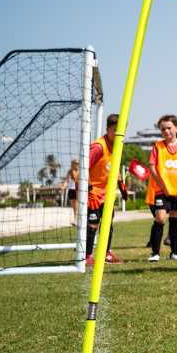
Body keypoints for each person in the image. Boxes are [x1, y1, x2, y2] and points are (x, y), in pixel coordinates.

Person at [86, 114, 128, 266]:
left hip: (107, 194)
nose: (118, 134)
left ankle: (106, 253)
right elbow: (82, 168)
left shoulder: (118, 145)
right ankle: (87, 257)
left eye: (121, 130)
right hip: (93, 194)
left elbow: (112, 167)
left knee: (108, 224)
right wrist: (89, 190)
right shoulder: (98, 147)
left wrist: (121, 185)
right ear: (107, 129)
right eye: (114, 130)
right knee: (93, 225)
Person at [146, 114, 177, 262]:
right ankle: (155, 253)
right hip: (161, 190)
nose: (166, 131)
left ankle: (175, 252)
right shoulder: (157, 146)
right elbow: (152, 167)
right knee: (161, 218)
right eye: (163, 129)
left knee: (175, 219)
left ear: (176, 127)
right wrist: (162, 186)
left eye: (169, 128)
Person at [66, 159, 80, 225]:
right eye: (75, 163)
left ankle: (75, 220)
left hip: (78, 189)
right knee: (74, 206)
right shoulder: (70, 171)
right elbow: (67, 179)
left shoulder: (80, 171)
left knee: (77, 205)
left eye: (77, 163)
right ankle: (75, 219)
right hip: (71, 189)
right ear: (73, 164)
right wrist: (64, 185)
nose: (77, 164)